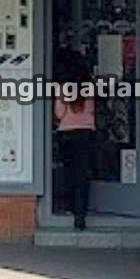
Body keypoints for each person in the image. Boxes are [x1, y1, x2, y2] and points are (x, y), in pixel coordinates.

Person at [52, 50, 97, 229]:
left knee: (69, 173)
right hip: (86, 133)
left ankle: (71, 207)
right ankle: (81, 215)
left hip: (68, 133)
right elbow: (92, 110)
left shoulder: (63, 87)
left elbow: (59, 113)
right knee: (83, 174)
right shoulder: (89, 87)